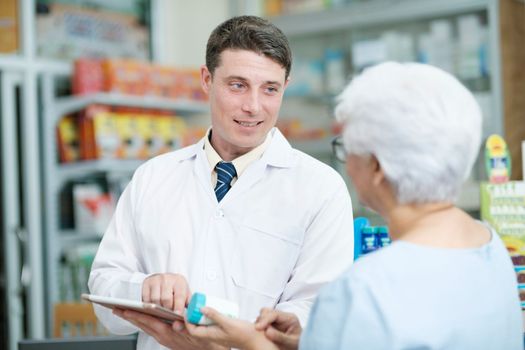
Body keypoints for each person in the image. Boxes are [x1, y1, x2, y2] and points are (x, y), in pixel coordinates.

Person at [180, 62, 523, 349]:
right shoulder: (492, 246)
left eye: (347, 147)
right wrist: (314, 340)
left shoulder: (364, 289)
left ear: (376, 167)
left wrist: (253, 343)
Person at [88, 15, 354, 350]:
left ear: (285, 87)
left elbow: (319, 310)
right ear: (207, 79)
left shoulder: (320, 189)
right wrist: (143, 287)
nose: (253, 106)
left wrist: (255, 335)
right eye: (238, 85)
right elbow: (103, 287)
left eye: (269, 89)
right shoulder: (153, 177)